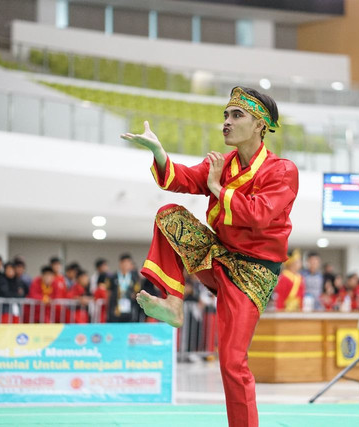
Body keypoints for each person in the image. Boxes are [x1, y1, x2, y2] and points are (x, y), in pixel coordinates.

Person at [122, 86, 297, 427]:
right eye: (225, 116)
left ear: (260, 125)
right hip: (220, 256)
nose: (226, 123)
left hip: (254, 273)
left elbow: (260, 215)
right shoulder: (223, 163)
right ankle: (174, 302)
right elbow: (182, 179)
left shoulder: (282, 171)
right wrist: (159, 152)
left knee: (232, 361)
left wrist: (218, 189)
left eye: (236, 115)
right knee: (169, 214)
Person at [108, 254, 143, 322]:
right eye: (124, 263)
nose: (126, 265)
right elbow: (108, 293)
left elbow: (137, 290)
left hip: (130, 307)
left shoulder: (134, 277)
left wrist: (134, 294)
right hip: (116, 307)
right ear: (120, 264)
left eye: (128, 263)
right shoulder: (113, 277)